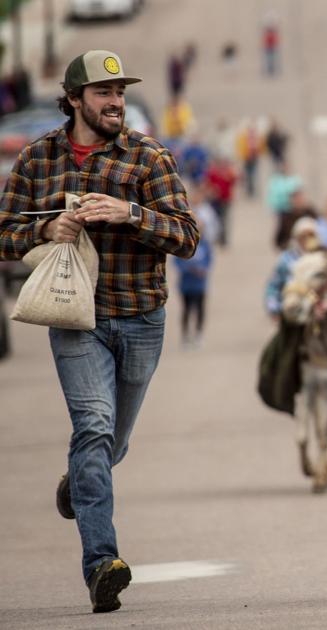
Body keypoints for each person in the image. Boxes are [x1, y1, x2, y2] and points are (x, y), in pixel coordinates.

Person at [0, 50, 198, 612]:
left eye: (120, 93)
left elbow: (187, 236)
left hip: (141, 317)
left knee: (113, 441)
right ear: (74, 100)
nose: (115, 102)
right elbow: (4, 230)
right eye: (103, 93)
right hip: (74, 317)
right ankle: (102, 564)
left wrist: (129, 214)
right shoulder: (38, 159)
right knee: (93, 425)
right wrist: (46, 225)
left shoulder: (148, 157)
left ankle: (79, 484)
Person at [265, 216, 321, 317]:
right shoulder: (286, 259)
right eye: (303, 236)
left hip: (318, 310)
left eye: (311, 235)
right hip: (292, 310)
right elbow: (274, 285)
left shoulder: (322, 258)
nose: (307, 240)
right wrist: (274, 308)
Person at [174, 217, 213, 349]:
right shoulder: (183, 243)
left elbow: (209, 261)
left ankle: (198, 333)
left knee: (200, 309)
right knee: (186, 309)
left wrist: (203, 270)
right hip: (186, 284)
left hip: (200, 284)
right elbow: (177, 262)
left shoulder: (206, 244)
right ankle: (185, 336)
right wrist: (188, 269)